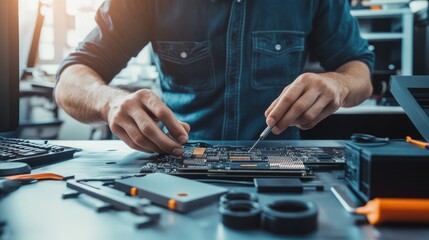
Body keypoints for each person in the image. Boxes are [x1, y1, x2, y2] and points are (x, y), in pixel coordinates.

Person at [55, 0, 374, 156]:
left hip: (281, 169)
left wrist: (338, 84)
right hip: (178, 168)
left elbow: (358, 70)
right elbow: (70, 80)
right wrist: (109, 102)